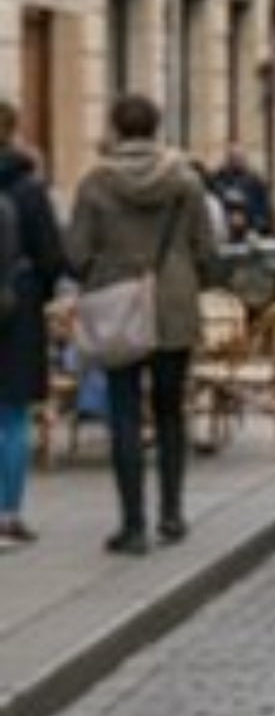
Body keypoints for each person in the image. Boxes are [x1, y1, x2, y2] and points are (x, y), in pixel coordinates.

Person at [66, 94, 217, 554]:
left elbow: (75, 253)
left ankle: (133, 524)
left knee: (125, 415)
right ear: (156, 128)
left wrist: (105, 272)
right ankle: (172, 513)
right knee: (171, 412)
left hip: (119, 309)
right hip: (172, 305)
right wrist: (188, 279)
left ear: (115, 129)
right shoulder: (185, 182)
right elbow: (206, 251)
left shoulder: (95, 183)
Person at [0, 103, 65, 547]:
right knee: (13, 415)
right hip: (16, 309)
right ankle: (8, 513)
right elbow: (51, 256)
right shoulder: (29, 187)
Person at [209, 143, 274, 241]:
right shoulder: (218, 180)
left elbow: (265, 211)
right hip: (224, 231)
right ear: (228, 159)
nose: (237, 161)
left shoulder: (256, 182)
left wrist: (251, 222)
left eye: (240, 158)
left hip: (251, 233)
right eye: (234, 158)